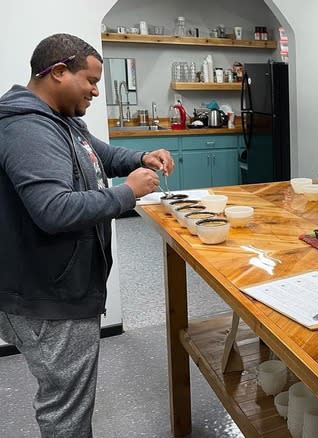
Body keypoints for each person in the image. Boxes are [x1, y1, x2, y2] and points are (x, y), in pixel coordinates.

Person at [0, 33, 173, 437]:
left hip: (59, 287)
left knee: (67, 398)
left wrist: (142, 158)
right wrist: (127, 192)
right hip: (49, 296)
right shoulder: (29, 129)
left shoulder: (60, 120)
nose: (97, 91)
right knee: (66, 408)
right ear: (59, 72)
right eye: (90, 81)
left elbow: (100, 154)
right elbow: (54, 209)